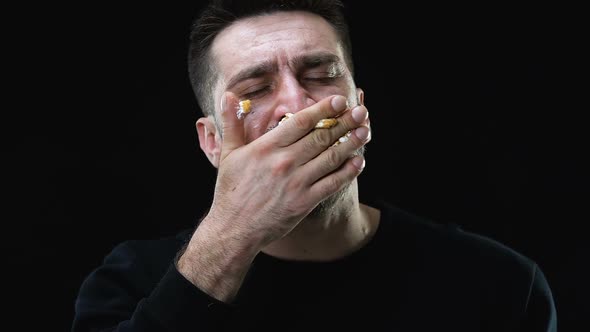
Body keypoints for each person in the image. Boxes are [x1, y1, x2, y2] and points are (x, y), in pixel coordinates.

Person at [72, 0, 558, 331]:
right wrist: (231, 235)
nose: (297, 105)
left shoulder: (499, 284)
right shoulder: (130, 284)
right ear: (213, 141)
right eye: (255, 90)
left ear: (359, 104)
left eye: (321, 75)